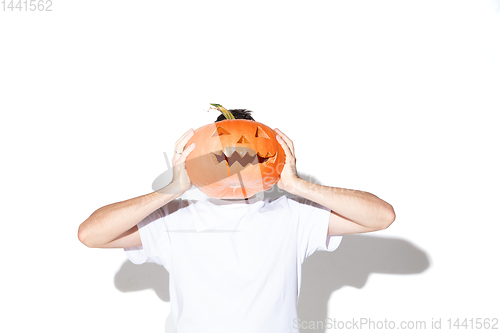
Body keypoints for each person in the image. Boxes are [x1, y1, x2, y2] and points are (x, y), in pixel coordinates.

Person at [78, 109, 396, 333]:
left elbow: (382, 216)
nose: (235, 166)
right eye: (223, 156)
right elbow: (91, 235)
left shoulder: (294, 215)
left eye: (249, 153)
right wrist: (172, 189)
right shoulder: (172, 219)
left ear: (266, 155)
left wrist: (296, 184)